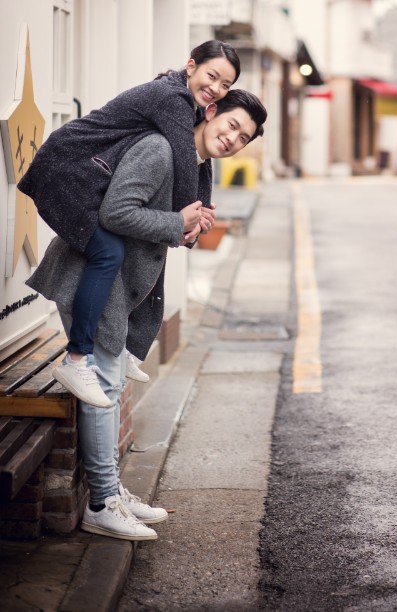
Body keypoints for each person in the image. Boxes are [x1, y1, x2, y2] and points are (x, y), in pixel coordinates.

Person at [26, 90, 267, 541]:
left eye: (244, 137)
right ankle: (101, 503)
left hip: (119, 285)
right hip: (92, 278)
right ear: (211, 112)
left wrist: (187, 228)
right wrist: (176, 222)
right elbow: (116, 213)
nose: (233, 138)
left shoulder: (194, 164)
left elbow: (162, 225)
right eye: (232, 124)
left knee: (110, 383)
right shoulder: (159, 150)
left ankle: (110, 490)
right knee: (103, 382)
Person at [18, 41, 240, 408]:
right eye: (211, 76)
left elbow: (198, 161)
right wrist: (185, 219)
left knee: (123, 250)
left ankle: (117, 351)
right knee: (109, 252)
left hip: (86, 174)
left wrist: (195, 217)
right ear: (191, 66)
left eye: (225, 85)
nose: (215, 88)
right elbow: (187, 159)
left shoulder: (188, 107)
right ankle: (75, 360)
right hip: (67, 169)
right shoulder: (173, 99)